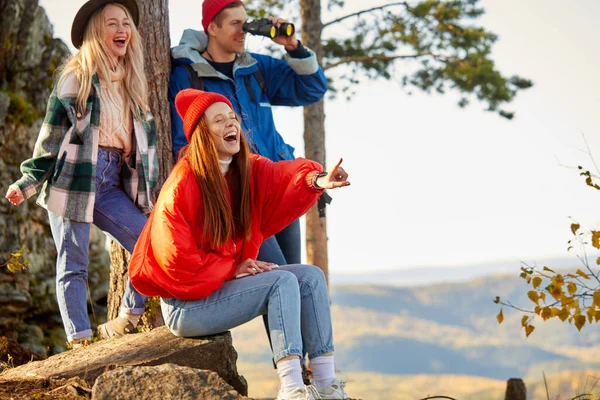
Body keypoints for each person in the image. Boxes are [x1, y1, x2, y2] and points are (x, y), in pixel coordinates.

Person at [129, 89, 350, 400]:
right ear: (202, 134)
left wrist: (317, 180)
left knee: (311, 277)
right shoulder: (183, 184)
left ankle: (328, 387)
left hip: (213, 287)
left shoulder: (244, 169)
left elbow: (281, 176)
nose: (231, 124)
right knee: (281, 282)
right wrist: (231, 269)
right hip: (186, 307)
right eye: (219, 120)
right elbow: (175, 259)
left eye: (232, 117)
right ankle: (293, 390)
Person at [4, 0, 158, 347]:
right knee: (74, 263)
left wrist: (147, 196)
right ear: (95, 32)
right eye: (112, 24)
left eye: (126, 24)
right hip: (73, 179)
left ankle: (127, 318)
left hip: (110, 181)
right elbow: (51, 138)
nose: (122, 30)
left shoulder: (133, 82)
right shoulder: (77, 78)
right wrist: (27, 182)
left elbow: (146, 152)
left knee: (148, 241)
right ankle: (80, 340)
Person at [169, 0, 328, 267]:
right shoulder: (188, 76)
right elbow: (183, 144)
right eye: (235, 24)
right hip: (241, 198)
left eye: (246, 24)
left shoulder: (256, 68)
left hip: (279, 184)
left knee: (298, 280)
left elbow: (312, 89)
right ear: (212, 28)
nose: (243, 31)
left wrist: (292, 47)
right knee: (279, 276)